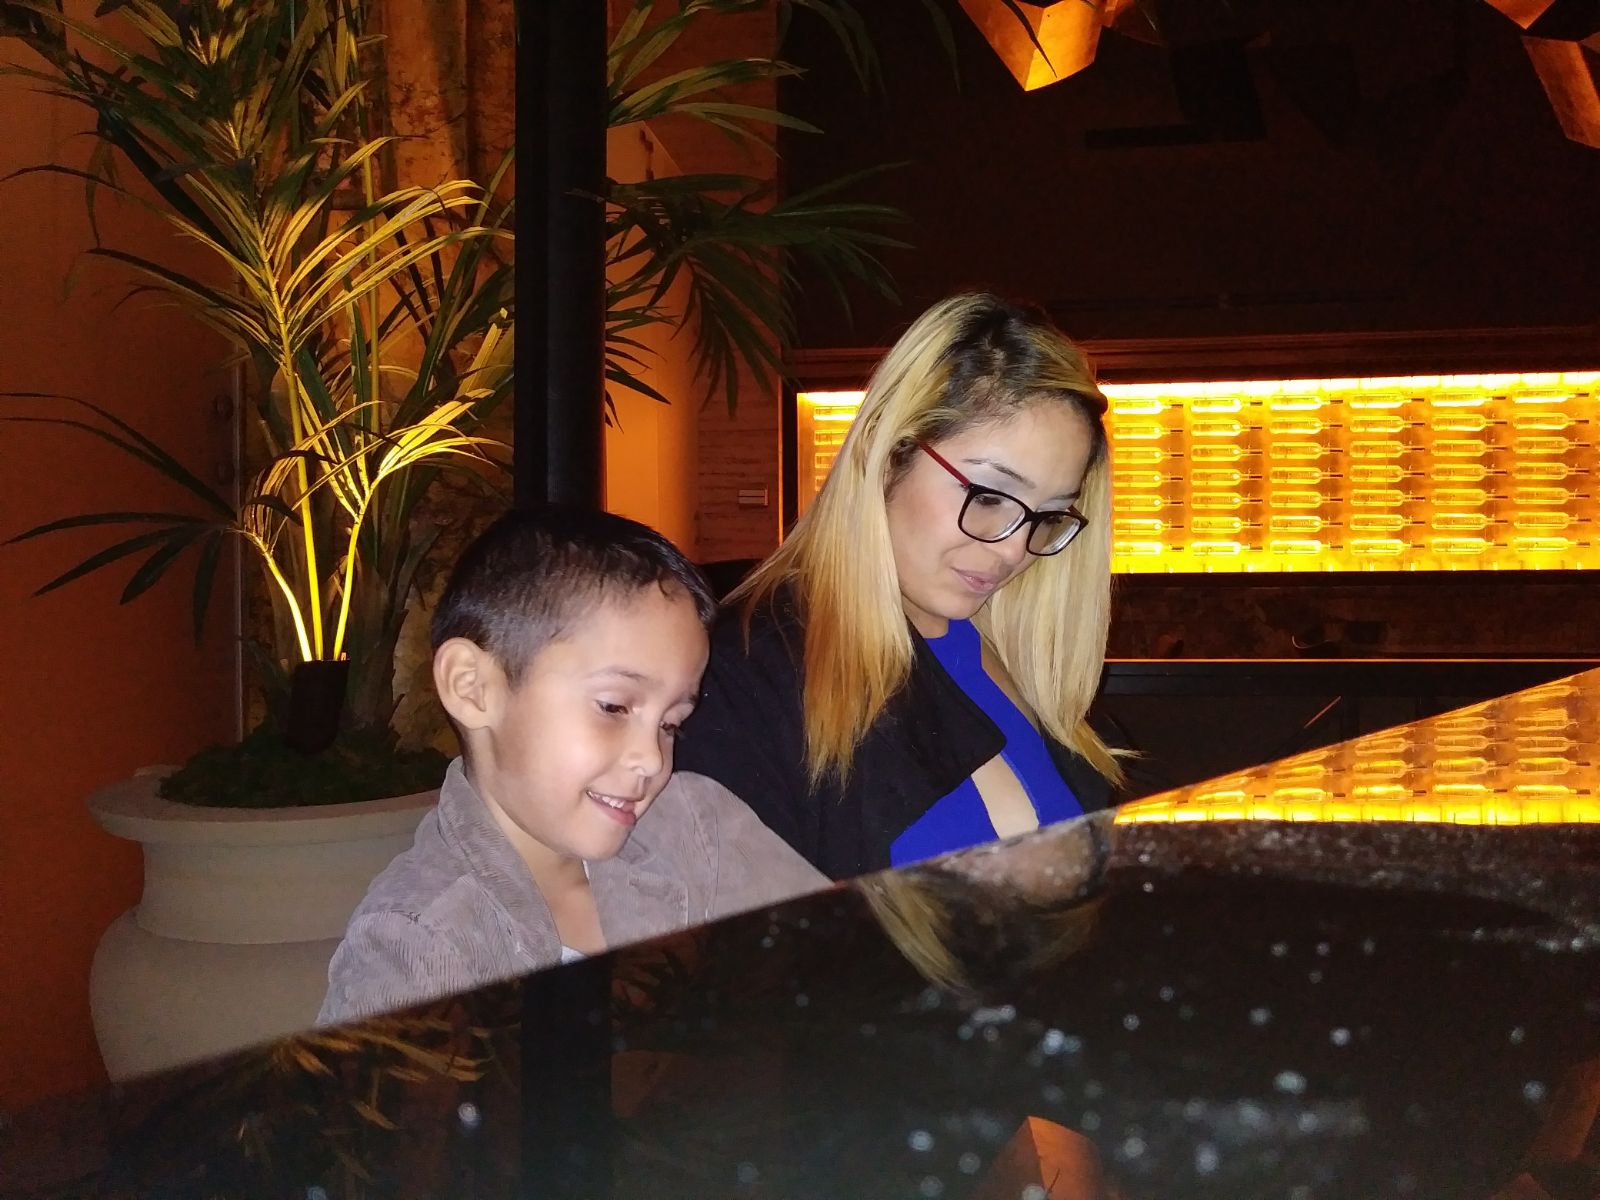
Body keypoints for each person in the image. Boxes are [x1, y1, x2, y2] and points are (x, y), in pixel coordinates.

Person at [319, 507, 827, 1025]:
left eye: (671, 723)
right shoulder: (414, 950)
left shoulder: (696, 825)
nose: (653, 758)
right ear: (473, 687)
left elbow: (847, 961)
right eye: (614, 707)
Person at [676, 293, 1123, 881]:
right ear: (886, 456)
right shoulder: (745, 676)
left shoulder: (1003, 657)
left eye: (1047, 516)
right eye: (987, 496)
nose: (1014, 549)